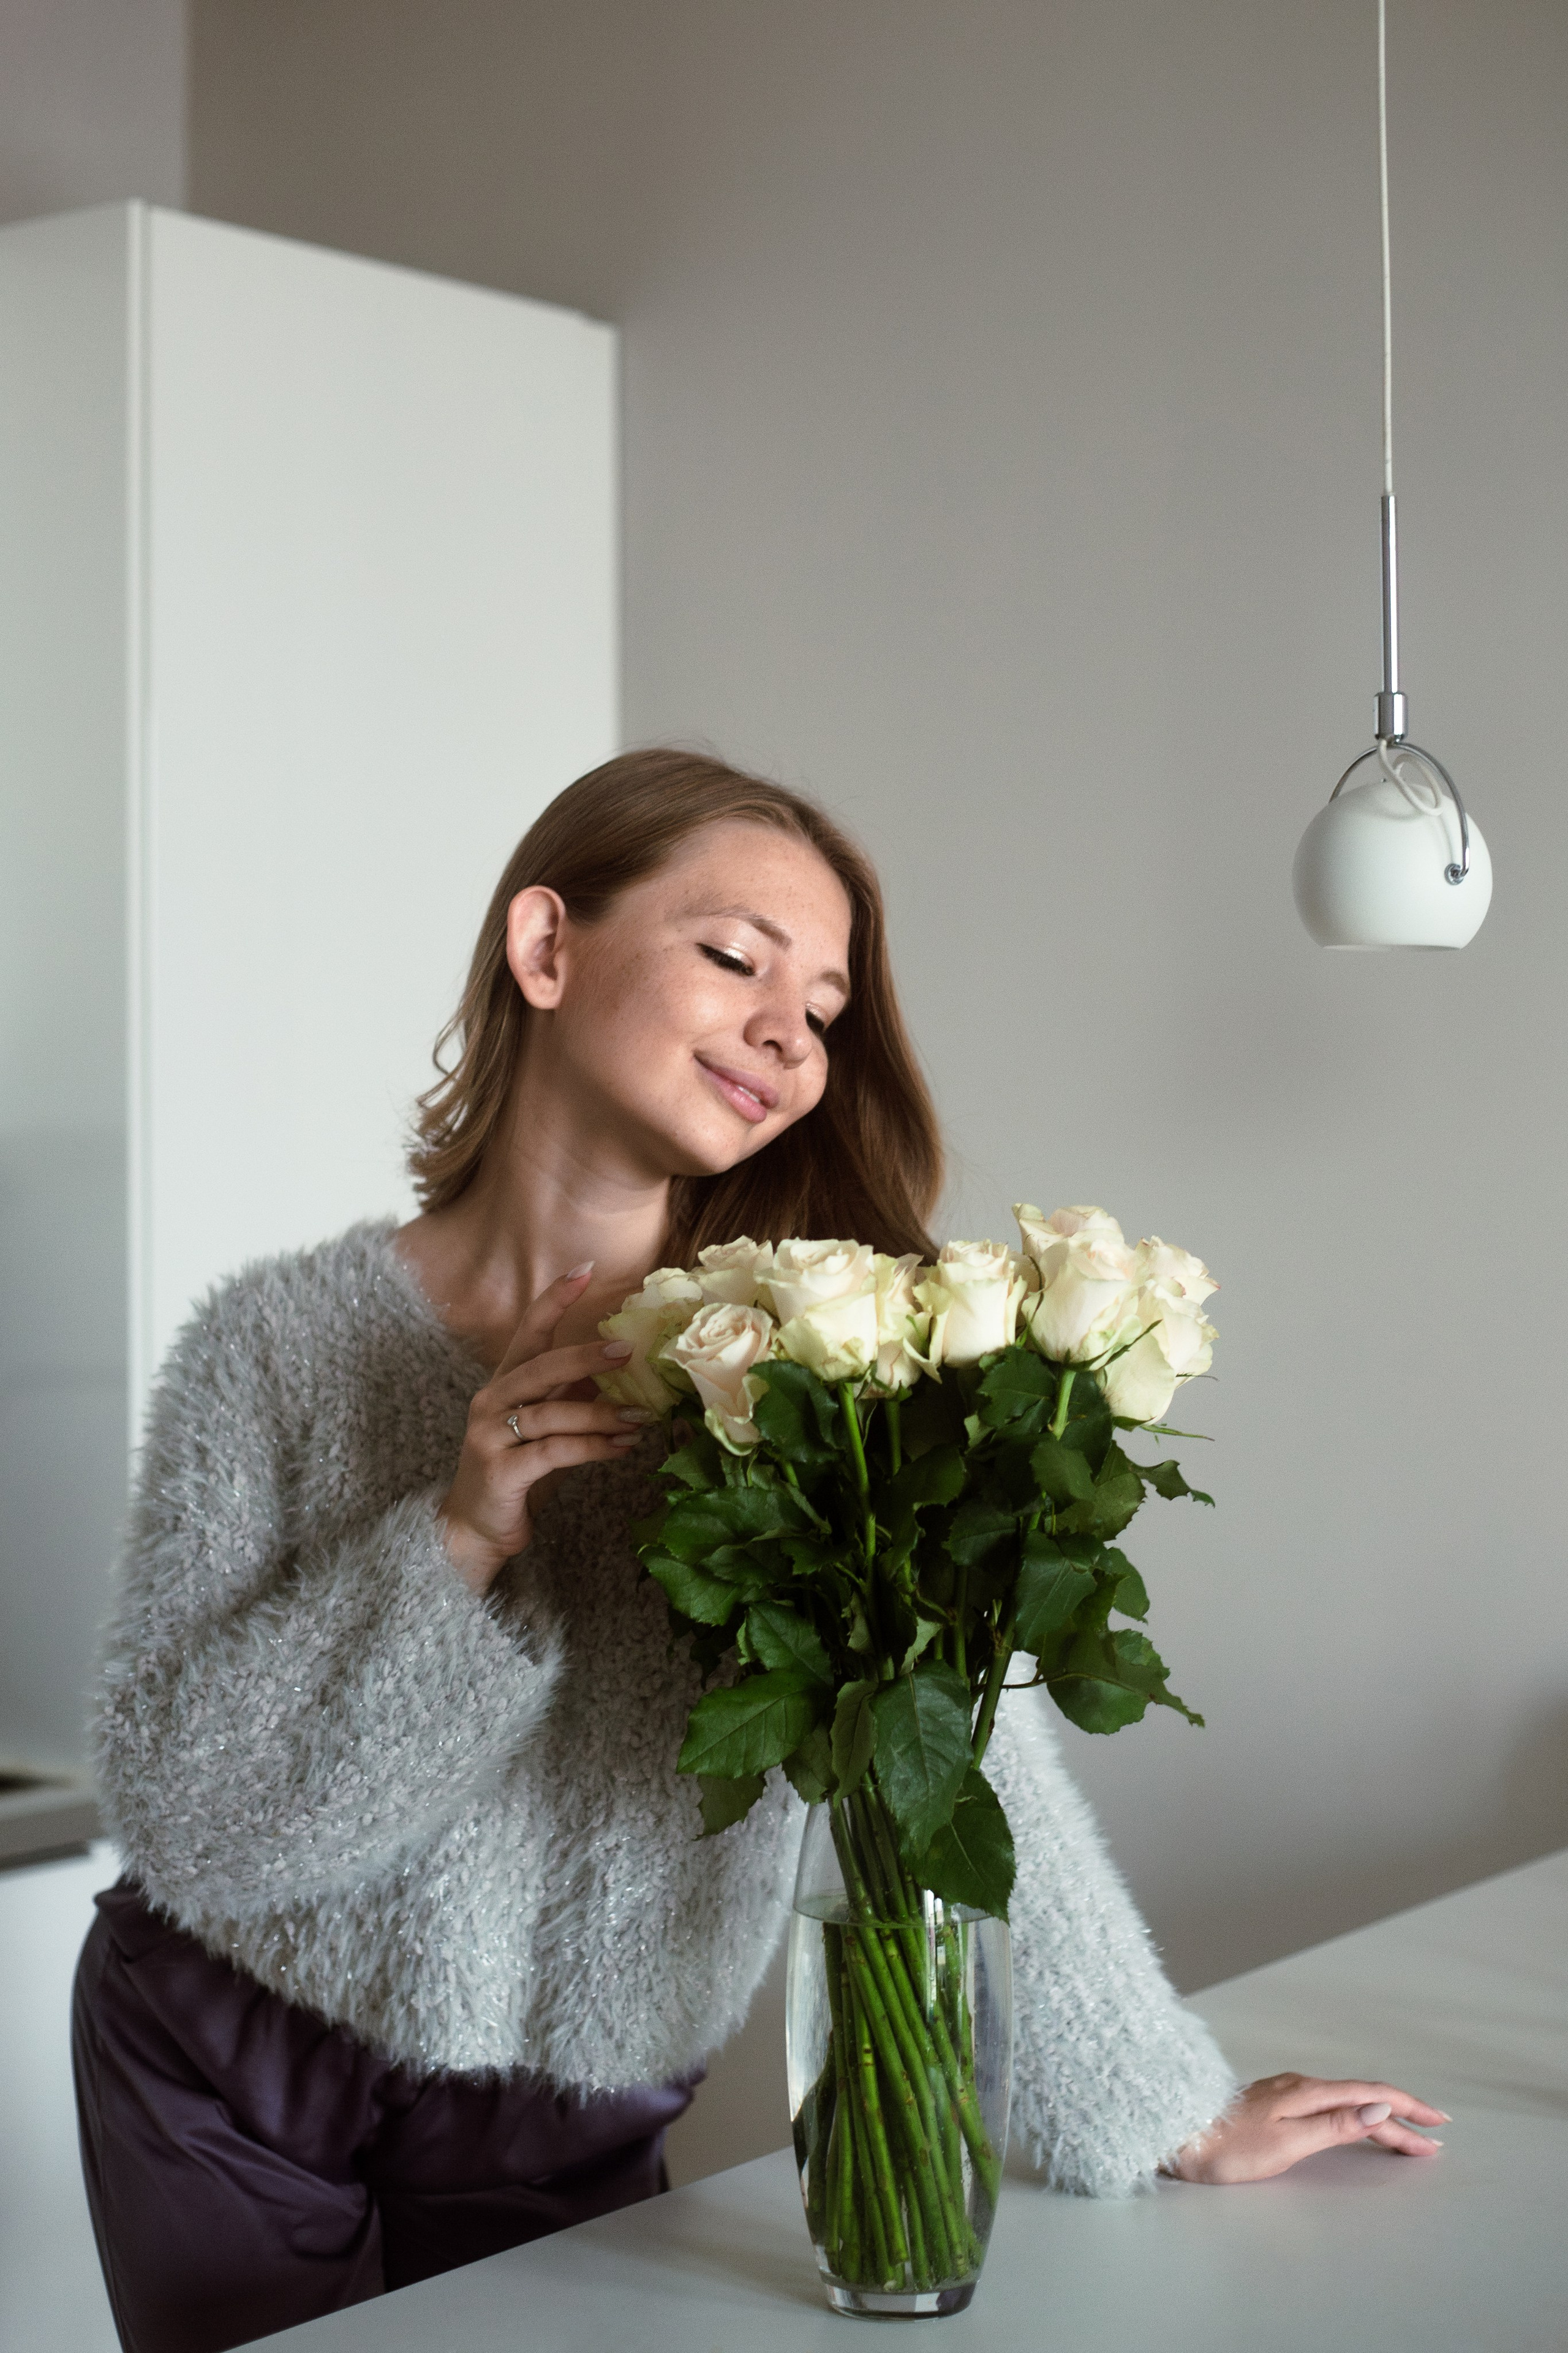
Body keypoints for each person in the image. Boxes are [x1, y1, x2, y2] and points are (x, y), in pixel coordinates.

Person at [75, 749, 1444, 2353]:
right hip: (222, 2055)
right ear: (545, 947)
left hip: (566, 2095)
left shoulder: (806, 1373)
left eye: (826, 1005)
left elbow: (952, 1751)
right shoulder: (269, 1346)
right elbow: (182, 1812)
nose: (793, 1032)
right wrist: (456, 1537)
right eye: (737, 956)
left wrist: (1161, 2105)